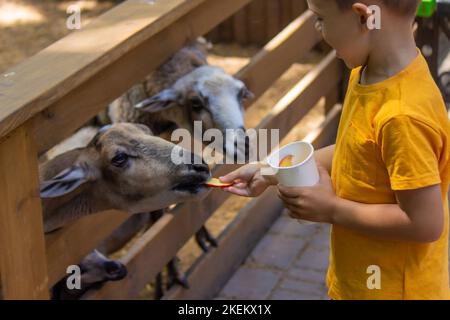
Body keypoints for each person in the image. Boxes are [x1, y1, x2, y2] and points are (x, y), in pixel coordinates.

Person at [219, 0, 450, 299]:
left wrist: (331, 209)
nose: (318, 30)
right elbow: (356, 151)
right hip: (363, 281)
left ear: (364, 16)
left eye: (320, 19)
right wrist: (270, 171)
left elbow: (424, 224)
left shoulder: (402, 116)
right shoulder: (369, 73)